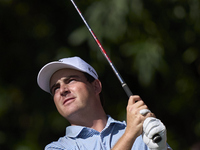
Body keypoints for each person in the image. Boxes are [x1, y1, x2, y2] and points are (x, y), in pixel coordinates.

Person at [37, 56, 172, 150]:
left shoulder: (141, 132)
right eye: (55, 88)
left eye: (71, 80)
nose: (62, 90)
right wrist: (130, 135)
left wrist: (160, 148)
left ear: (96, 86)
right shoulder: (57, 148)